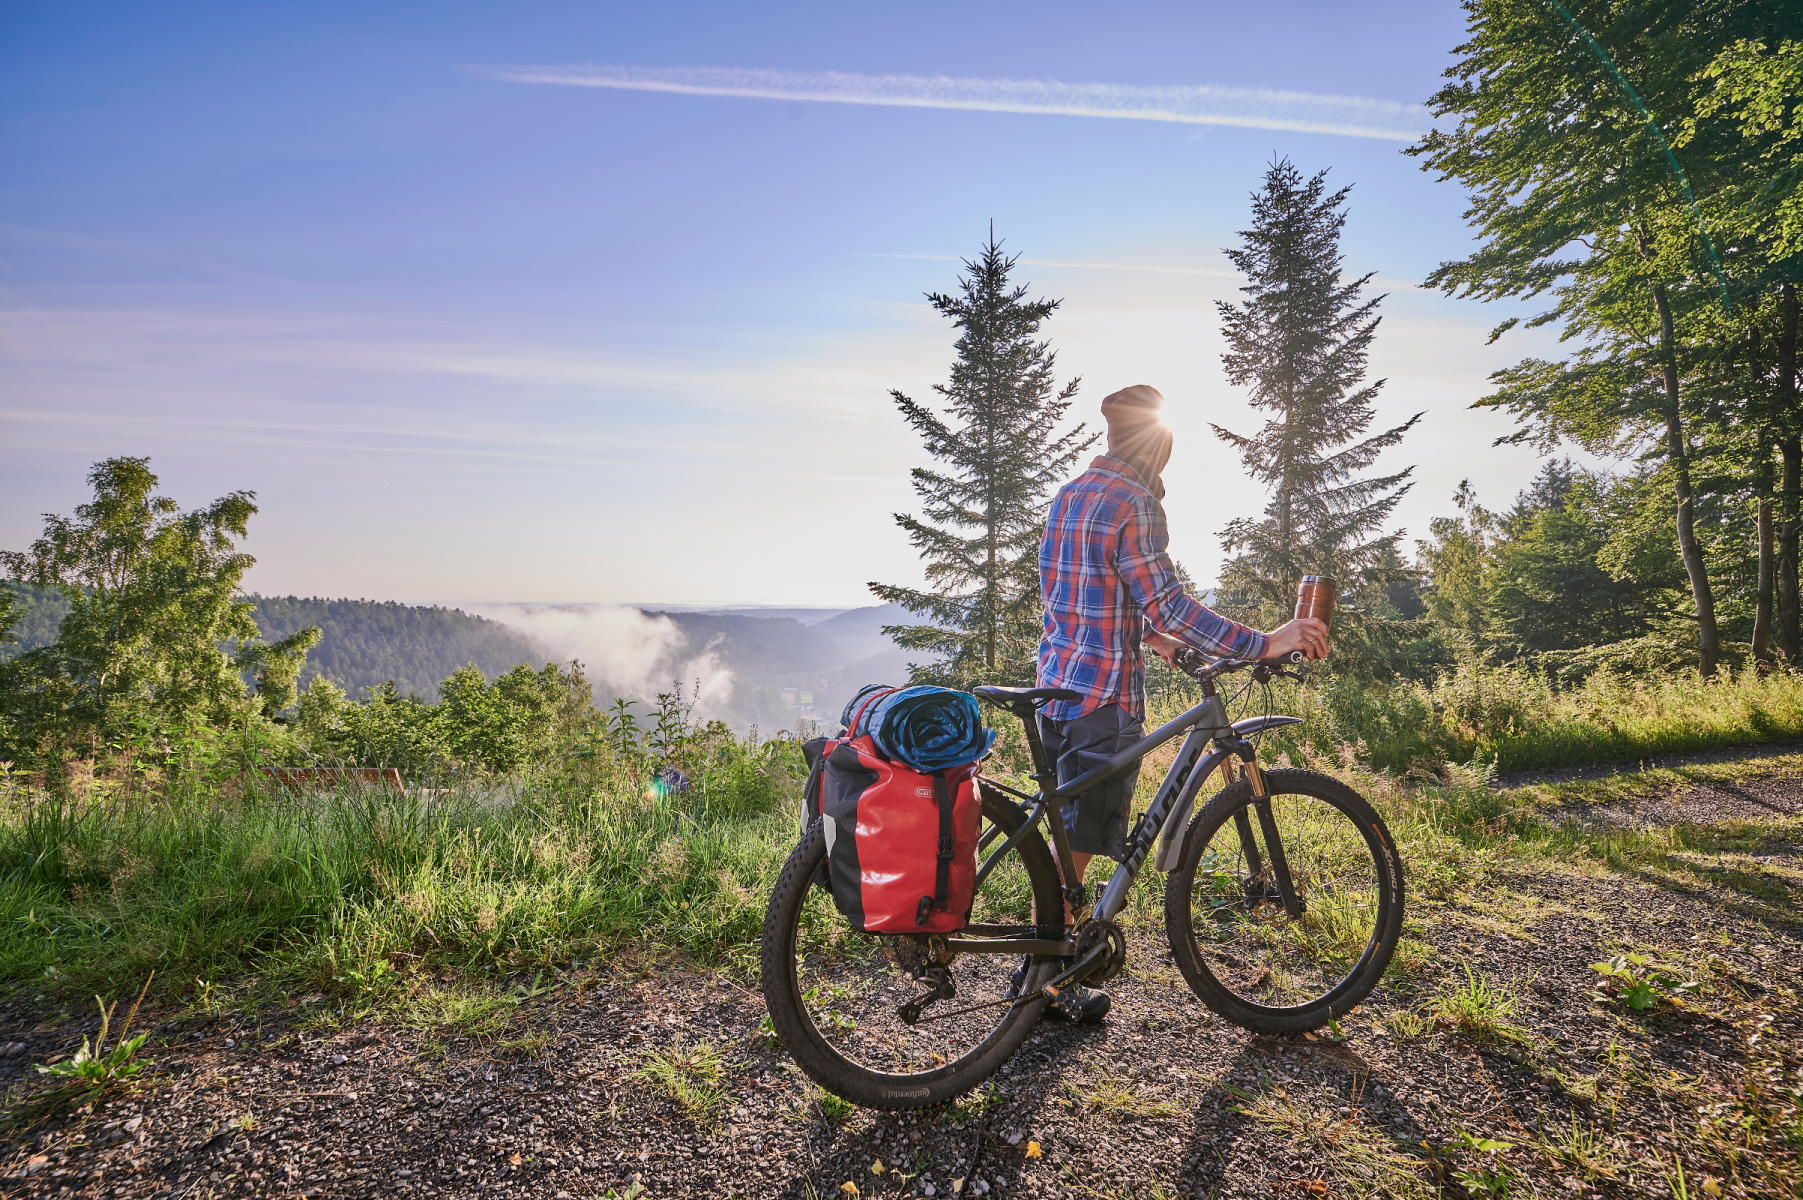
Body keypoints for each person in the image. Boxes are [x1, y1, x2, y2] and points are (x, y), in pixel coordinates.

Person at [1026, 384, 1329, 1022]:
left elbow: (1082, 599)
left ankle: (1047, 972)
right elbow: (1170, 602)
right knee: (1076, 849)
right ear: (1157, 447)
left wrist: (1151, 639)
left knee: (1067, 844)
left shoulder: (1070, 494)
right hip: (1101, 698)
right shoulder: (1135, 502)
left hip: (1056, 684)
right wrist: (1263, 642)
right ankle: (1045, 985)